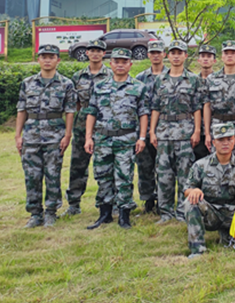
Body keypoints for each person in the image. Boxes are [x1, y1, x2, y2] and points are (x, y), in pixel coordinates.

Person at [84, 48, 149, 230]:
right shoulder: (99, 86)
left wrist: (142, 137)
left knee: (124, 178)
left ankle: (124, 215)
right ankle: (104, 214)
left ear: (130, 64)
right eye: (116, 61)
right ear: (111, 64)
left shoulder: (138, 87)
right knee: (103, 177)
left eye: (124, 61)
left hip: (125, 140)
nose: (120, 64)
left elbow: (143, 113)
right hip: (102, 140)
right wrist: (89, 137)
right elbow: (92, 112)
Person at [15, 44, 77, 228]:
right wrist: (18, 136)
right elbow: (21, 110)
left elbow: (70, 112)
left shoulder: (66, 84)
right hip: (31, 136)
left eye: (51, 57)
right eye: (44, 57)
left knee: (52, 174)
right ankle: (35, 213)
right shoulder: (27, 83)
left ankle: (51, 212)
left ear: (58, 60)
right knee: (32, 176)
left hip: (54, 136)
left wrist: (67, 135)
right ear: (38, 59)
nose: (47, 60)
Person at [149, 40, 204, 223]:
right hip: (164, 132)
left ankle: (182, 211)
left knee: (185, 174)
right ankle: (165, 212)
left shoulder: (193, 79)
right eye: (173, 53)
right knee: (163, 173)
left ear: (185, 55)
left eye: (180, 53)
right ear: (168, 55)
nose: (176, 56)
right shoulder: (160, 80)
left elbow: (197, 107)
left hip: (185, 131)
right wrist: (152, 131)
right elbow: (155, 107)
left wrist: (197, 131)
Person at [183, 122, 235, 258]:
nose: (225, 143)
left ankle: (231, 236)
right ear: (214, 142)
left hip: (232, 215)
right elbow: (187, 189)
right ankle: (198, 250)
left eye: (229, 139)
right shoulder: (200, 165)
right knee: (190, 202)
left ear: (234, 141)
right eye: (221, 140)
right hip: (211, 214)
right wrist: (193, 191)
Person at [65, 38, 112, 215]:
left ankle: (108, 202)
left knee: (106, 165)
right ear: (87, 53)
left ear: (103, 54)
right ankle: (74, 204)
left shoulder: (110, 74)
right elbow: (74, 103)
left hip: (104, 123)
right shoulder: (78, 76)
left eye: (98, 50)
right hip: (81, 125)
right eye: (92, 50)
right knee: (78, 164)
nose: (95, 53)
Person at [135, 39, 168, 214]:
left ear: (164, 54)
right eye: (152, 52)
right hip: (144, 129)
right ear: (148, 55)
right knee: (145, 166)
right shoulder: (140, 78)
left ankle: (164, 201)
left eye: (158, 52)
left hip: (166, 128)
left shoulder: (172, 75)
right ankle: (148, 200)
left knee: (163, 167)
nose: (156, 55)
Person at [194, 44, 218, 162]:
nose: (205, 58)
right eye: (203, 56)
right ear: (198, 60)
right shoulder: (192, 81)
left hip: (215, 128)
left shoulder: (219, 81)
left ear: (214, 60)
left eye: (209, 56)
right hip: (195, 130)